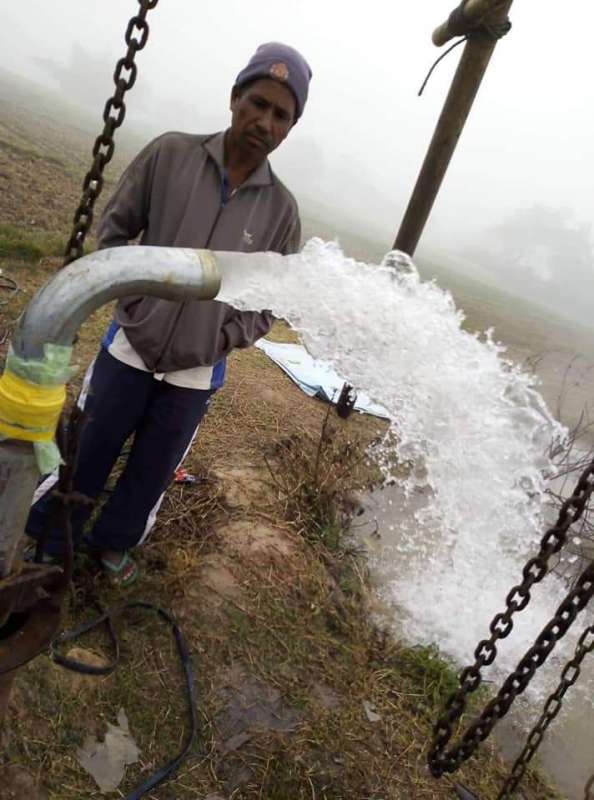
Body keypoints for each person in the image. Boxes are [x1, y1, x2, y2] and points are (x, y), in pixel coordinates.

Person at [26, 42, 312, 586]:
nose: (264, 121)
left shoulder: (281, 212)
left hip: (195, 371)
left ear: (290, 127)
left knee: (153, 469)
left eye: (281, 114)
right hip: (130, 346)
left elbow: (272, 301)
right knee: (88, 448)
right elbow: (114, 232)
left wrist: (220, 339)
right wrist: (136, 305)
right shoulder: (171, 155)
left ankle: (113, 546)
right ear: (234, 99)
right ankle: (48, 538)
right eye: (258, 102)